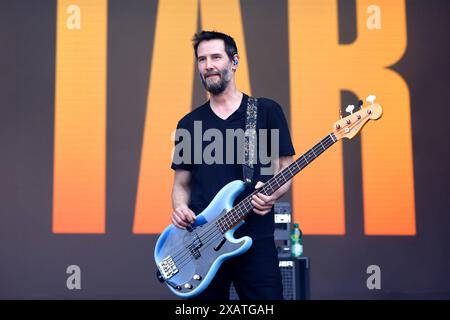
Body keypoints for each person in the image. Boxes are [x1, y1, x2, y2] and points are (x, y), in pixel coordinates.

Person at [170, 30, 295, 300]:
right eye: (202, 60)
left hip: (255, 241)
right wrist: (180, 208)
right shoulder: (189, 124)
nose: (208, 65)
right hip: (202, 244)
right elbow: (181, 185)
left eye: (216, 57)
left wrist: (273, 193)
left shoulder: (265, 112)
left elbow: (287, 168)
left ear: (234, 62)